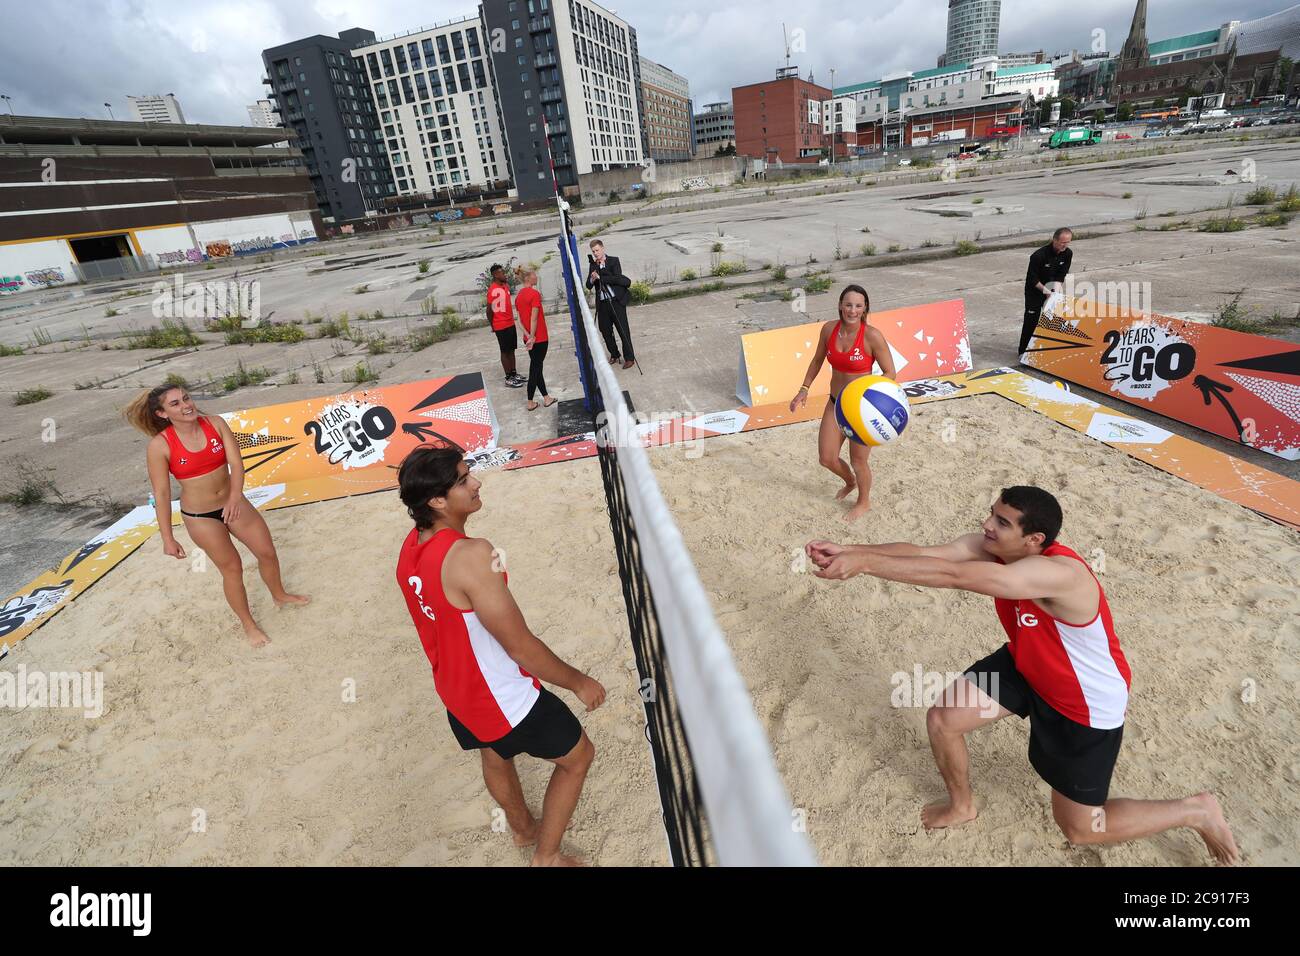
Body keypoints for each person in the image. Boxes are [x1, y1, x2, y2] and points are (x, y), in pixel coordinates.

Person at [805, 486, 1240, 865]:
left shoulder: (1057, 574)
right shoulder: (996, 547)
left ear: (1034, 539)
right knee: (944, 719)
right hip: (1027, 665)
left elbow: (955, 577)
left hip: (1081, 704)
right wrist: (853, 553)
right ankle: (962, 806)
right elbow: (928, 554)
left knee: (1082, 829)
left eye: (1001, 521)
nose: (986, 525)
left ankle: (1195, 810)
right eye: (991, 513)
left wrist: (864, 566)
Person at [396, 444, 606, 866]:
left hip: (455, 688)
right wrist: (579, 682)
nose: (476, 483)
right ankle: (546, 858)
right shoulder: (471, 555)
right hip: (502, 695)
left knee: (494, 751)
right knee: (578, 757)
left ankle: (522, 829)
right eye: (462, 480)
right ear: (437, 500)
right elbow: (520, 645)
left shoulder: (411, 547)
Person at [125, 384, 309, 647]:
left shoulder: (215, 423)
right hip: (201, 516)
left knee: (266, 552)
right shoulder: (160, 446)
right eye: (175, 403)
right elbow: (162, 494)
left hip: (233, 502)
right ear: (162, 413)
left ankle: (279, 595)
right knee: (232, 568)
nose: (186, 405)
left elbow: (236, 463)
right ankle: (248, 624)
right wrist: (167, 537)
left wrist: (235, 497)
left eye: (186, 398)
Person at [788, 284, 897, 521]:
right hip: (835, 403)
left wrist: (869, 395)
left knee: (859, 460)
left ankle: (863, 502)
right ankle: (850, 482)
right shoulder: (828, 329)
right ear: (840, 306)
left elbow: (890, 372)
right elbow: (817, 360)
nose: (853, 310)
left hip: (861, 409)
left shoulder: (872, 336)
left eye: (858, 305)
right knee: (826, 458)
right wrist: (804, 389)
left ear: (865, 308)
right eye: (848, 305)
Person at [1021, 227, 1073, 358]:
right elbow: (1032, 279)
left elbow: (1061, 275)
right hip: (1035, 290)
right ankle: (1023, 351)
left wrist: (1055, 291)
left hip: (1051, 290)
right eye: (1062, 242)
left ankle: (1045, 349)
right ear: (1054, 240)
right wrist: (1046, 291)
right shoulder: (1038, 256)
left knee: (1052, 320)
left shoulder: (1068, 253)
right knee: (1031, 320)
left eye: (1068, 242)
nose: (1065, 245)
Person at [585, 239, 635, 370]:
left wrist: (601, 275)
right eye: (593, 251)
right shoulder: (593, 265)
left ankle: (629, 358)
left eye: (597, 250)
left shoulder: (613, 260)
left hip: (616, 301)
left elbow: (617, 278)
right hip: (602, 303)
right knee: (605, 330)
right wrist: (592, 278)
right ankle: (614, 354)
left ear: (602, 248)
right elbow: (588, 285)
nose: (595, 253)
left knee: (623, 330)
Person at [515, 270, 556, 411]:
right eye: (534, 275)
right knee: (535, 369)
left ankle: (546, 398)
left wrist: (527, 335)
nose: (536, 276)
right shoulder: (534, 294)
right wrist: (532, 337)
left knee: (537, 367)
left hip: (528, 338)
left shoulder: (519, 296)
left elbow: (519, 320)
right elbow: (533, 318)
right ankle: (530, 401)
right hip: (539, 337)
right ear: (527, 278)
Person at [487, 264, 525, 388]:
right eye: (502, 273)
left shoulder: (505, 286)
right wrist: (493, 325)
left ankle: (514, 373)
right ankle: (508, 377)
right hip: (500, 325)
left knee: (512, 349)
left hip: (510, 323)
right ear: (495, 275)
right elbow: (489, 310)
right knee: (504, 351)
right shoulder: (493, 290)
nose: (504, 274)